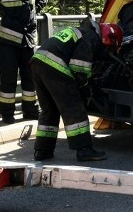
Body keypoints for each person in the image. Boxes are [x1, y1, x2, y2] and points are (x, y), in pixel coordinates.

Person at [30, 18, 121, 162]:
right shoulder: (91, 38)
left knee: (50, 109)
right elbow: (79, 69)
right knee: (74, 107)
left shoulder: (79, 31)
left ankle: (42, 150)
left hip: (38, 62)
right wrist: (84, 91)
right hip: (56, 64)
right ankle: (84, 150)